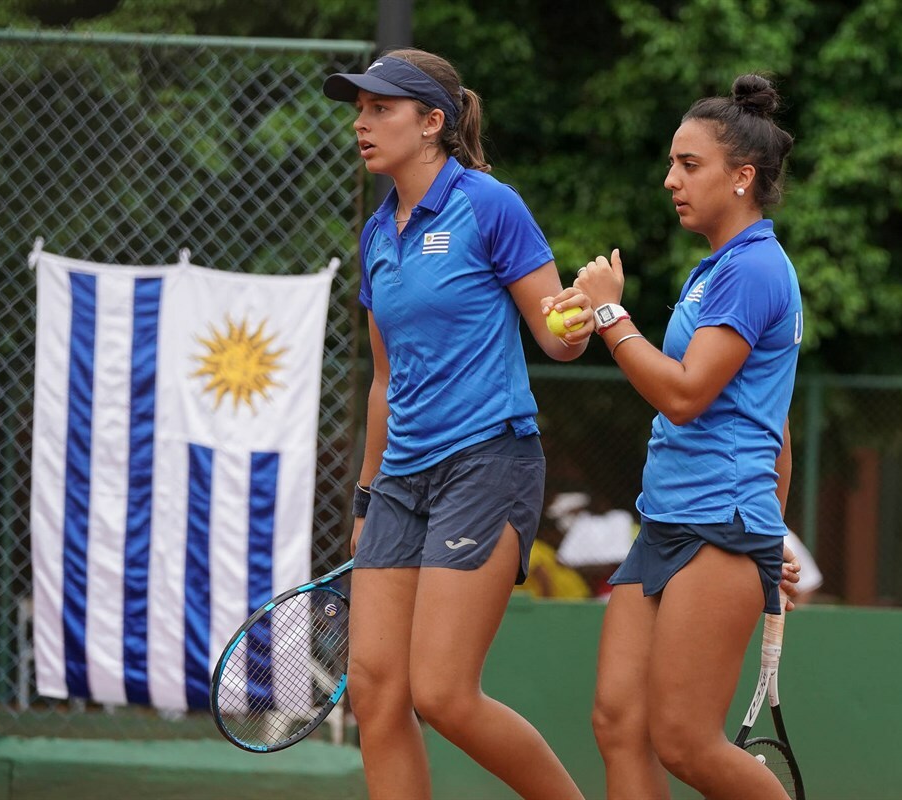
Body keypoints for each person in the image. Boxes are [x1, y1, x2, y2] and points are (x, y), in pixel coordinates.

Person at [321, 49, 590, 800]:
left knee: (441, 693)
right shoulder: (378, 236)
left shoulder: (489, 204)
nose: (362, 123)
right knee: (375, 694)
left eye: (381, 109)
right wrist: (366, 499)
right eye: (360, 109)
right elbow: (384, 381)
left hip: (487, 461)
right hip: (401, 482)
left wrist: (587, 309)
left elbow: (556, 339)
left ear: (432, 123)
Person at [566, 73, 804, 800]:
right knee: (618, 721)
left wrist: (613, 320)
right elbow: (777, 421)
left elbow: (686, 394)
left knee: (684, 743)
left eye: (688, 165)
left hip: (717, 528)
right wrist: (778, 533)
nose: (670, 179)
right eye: (672, 163)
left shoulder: (755, 266)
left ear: (743, 178)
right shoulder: (717, 270)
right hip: (669, 524)